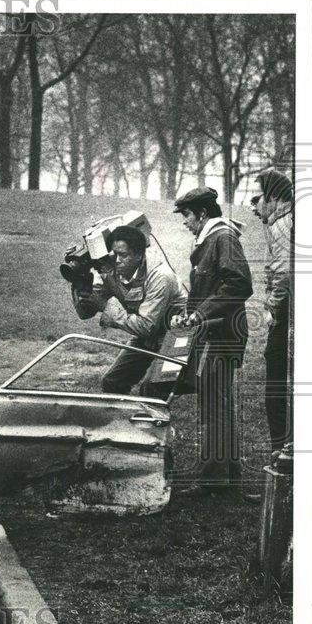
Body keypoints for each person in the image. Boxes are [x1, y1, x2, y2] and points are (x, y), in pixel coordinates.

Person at [168, 187, 254, 497]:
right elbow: (209, 288)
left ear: (203, 213)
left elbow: (240, 283)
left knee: (214, 403)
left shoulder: (222, 238)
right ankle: (227, 478)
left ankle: (214, 480)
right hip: (212, 332)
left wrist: (201, 314)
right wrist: (187, 315)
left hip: (223, 334)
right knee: (216, 402)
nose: (185, 222)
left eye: (187, 215)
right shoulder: (210, 240)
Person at [71, 225, 186, 396]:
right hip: (149, 335)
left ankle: (154, 422)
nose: (117, 260)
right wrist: (79, 281)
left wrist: (104, 307)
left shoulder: (160, 276)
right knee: (112, 381)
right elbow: (85, 313)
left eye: (123, 255)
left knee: (152, 388)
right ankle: (119, 421)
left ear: (139, 254)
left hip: (177, 334)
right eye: (114, 254)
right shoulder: (112, 270)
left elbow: (146, 326)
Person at [253, 168, 293, 454]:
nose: (255, 205)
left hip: (286, 314)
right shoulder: (282, 222)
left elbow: (283, 272)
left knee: (276, 386)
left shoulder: (282, 225)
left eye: (260, 197)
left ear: (273, 197)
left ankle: (282, 456)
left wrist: (272, 309)